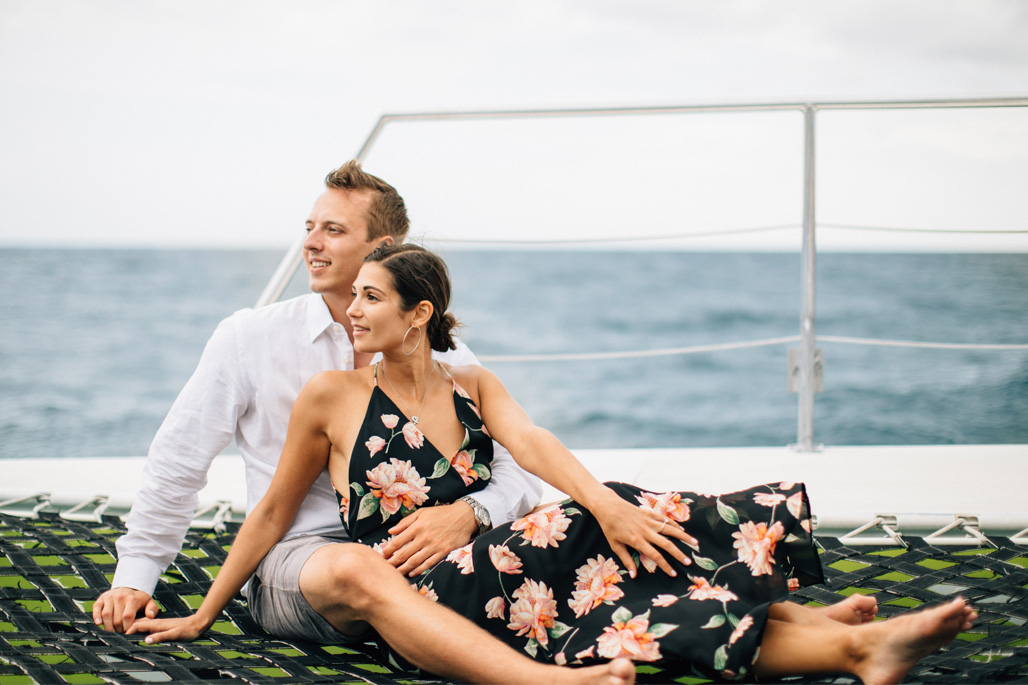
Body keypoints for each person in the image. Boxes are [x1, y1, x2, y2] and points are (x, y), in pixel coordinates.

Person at [127, 244, 976, 685]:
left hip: (500, 564)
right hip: (429, 594)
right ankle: (832, 634)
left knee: (623, 536)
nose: (350, 309)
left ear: (419, 313)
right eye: (354, 297)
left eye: (370, 297)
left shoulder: (471, 383)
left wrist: (604, 502)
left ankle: (852, 645)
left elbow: (531, 446)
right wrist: (205, 611)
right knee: (604, 563)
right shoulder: (332, 394)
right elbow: (274, 512)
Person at [92, 162, 543, 643]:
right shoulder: (249, 338)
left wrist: (469, 513)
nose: (310, 243)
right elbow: (179, 459)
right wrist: (135, 577)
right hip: (302, 559)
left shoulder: (440, 356)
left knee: (569, 529)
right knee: (359, 567)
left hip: (419, 554)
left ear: (382, 248)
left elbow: (519, 465)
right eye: (309, 227)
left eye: (333, 230)